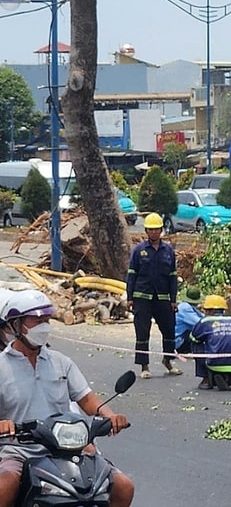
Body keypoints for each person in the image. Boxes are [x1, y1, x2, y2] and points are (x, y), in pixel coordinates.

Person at [0, 290, 134, 507]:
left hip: (69, 447)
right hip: (20, 449)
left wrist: (110, 416)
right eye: (37, 320)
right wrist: (4, 425)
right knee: (4, 488)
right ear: (16, 324)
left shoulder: (60, 362)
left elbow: (88, 400)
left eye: (46, 319)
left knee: (123, 486)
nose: (44, 325)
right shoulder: (1, 366)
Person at [126, 212, 181, 379]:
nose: (154, 233)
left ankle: (168, 361)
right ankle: (144, 366)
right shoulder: (139, 251)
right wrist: (129, 297)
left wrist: (173, 299)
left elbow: (172, 277)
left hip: (163, 297)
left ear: (161, 231)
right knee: (142, 332)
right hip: (142, 296)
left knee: (169, 330)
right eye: (151, 230)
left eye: (157, 230)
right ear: (146, 231)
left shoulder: (168, 251)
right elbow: (132, 274)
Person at [174, 286, 204, 354]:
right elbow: (200, 322)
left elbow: (202, 316)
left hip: (177, 340)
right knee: (199, 331)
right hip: (178, 342)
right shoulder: (185, 308)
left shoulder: (187, 306)